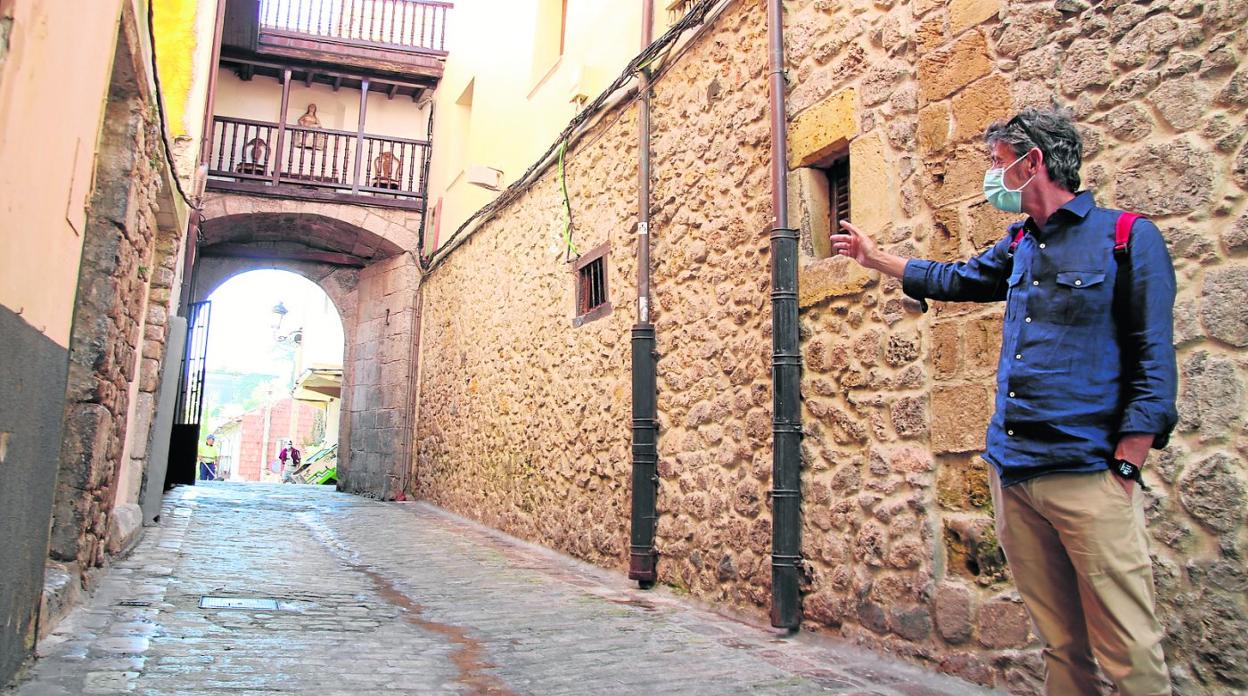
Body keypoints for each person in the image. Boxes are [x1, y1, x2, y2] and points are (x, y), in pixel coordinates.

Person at [830, 107, 1176, 696]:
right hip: (1014, 474)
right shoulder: (1019, 241)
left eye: (997, 163)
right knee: (1062, 647)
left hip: (1088, 474)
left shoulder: (1126, 238)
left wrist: (1126, 466)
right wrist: (876, 259)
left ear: (1032, 162)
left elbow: (1153, 363)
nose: (993, 178)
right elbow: (956, 279)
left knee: (1128, 652)